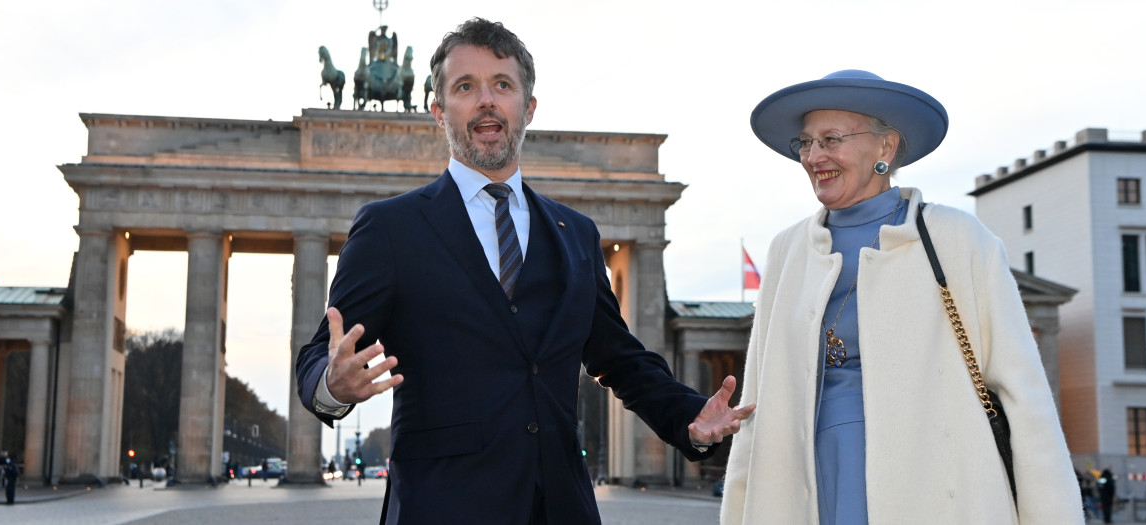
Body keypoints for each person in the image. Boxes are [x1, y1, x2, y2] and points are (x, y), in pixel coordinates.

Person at [295, 17, 754, 525]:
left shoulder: (575, 233)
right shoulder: (391, 229)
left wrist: (689, 414)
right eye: (465, 87)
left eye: (503, 85)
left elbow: (620, 359)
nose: (486, 100)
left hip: (561, 507)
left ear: (527, 108)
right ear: (438, 111)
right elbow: (323, 351)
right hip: (440, 507)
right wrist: (332, 386)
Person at [719, 70, 1082, 524]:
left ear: (885, 148)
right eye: (805, 143)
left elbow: (1023, 393)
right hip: (801, 480)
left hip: (937, 488)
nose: (814, 156)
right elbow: (758, 395)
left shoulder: (956, 238)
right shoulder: (787, 249)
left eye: (831, 139)